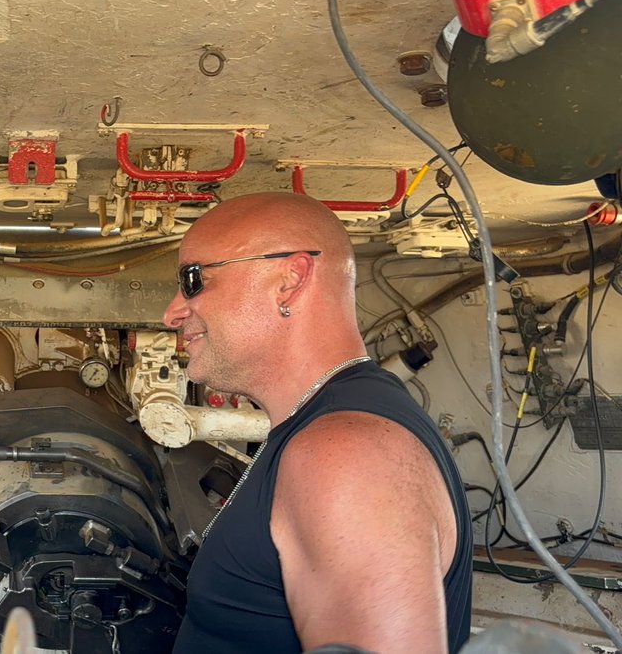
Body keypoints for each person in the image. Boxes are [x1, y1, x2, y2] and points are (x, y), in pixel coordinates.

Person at [163, 192, 472, 654]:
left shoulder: (346, 455)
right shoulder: (327, 428)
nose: (172, 313)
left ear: (289, 280)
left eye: (194, 280)